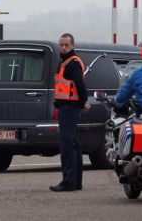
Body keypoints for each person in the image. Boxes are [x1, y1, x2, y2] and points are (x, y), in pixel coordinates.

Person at [49, 33, 90, 192]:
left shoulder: (72, 63)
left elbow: (80, 86)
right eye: (61, 45)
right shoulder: (64, 62)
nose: (63, 47)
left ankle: (68, 182)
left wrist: (81, 103)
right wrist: (58, 102)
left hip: (70, 109)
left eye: (66, 45)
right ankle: (75, 182)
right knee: (74, 145)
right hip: (66, 107)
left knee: (67, 146)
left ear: (72, 45)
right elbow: (64, 88)